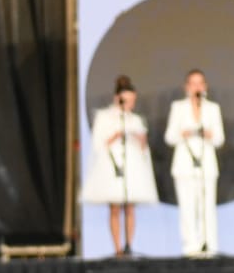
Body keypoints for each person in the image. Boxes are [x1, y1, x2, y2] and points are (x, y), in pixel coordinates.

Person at [80, 75, 158, 256]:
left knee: (130, 206)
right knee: (115, 207)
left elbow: (143, 148)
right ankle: (116, 248)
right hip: (112, 164)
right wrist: (116, 134)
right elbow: (98, 144)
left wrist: (140, 139)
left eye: (132, 101)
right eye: (126, 100)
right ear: (118, 98)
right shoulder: (105, 117)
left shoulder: (136, 120)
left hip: (132, 165)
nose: (129, 104)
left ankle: (129, 244)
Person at [164, 69, 226, 257]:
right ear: (186, 87)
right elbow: (169, 137)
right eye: (193, 83)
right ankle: (190, 246)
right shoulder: (178, 107)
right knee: (187, 207)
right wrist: (183, 133)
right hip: (184, 164)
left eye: (200, 83)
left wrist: (209, 134)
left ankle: (209, 245)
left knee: (207, 207)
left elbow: (220, 139)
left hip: (207, 164)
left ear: (205, 86)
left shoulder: (213, 108)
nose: (197, 87)